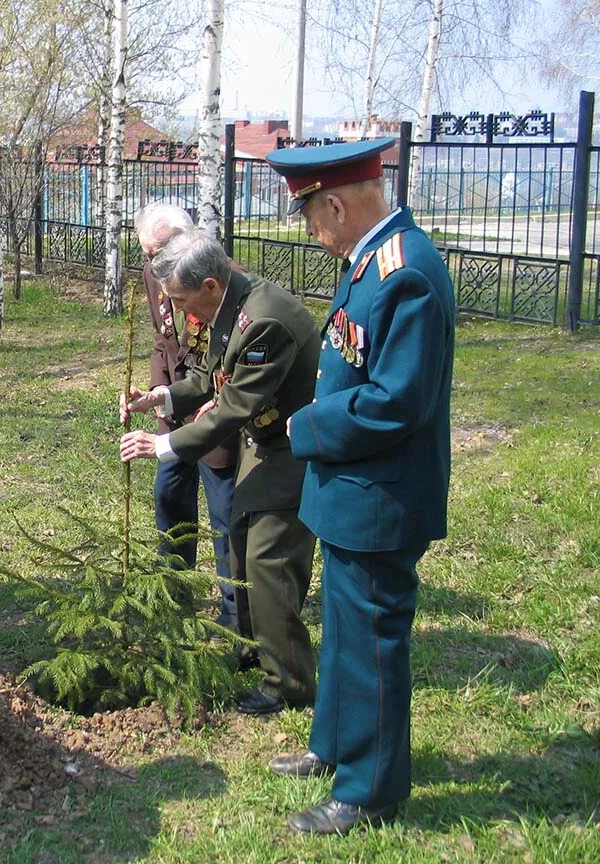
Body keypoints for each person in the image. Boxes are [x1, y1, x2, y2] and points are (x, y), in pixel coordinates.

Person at [263, 138, 456, 835]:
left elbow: (396, 401)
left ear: (337, 205)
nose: (315, 237)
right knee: (343, 631)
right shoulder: (372, 259)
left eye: (313, 220)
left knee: (372, 641)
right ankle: (336, 747)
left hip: (382, 496)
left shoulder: (406, 272)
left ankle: (370, 791)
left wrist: (309, 426)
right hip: (351, 492)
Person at [119, 228, 320, 716]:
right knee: (241, 548)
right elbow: (212, 375)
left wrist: (163, 444)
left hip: (291, 450)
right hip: (263, 445)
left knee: (269, 564)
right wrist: (161, 397)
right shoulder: (231, 306)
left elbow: (231, 408)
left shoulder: (264, 321)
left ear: (210, 285)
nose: (185, 313)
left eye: (185, 300)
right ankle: (254, 650)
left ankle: (289, 683)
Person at [132, 203, 237, 628]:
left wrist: (219, 399)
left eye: (157, 251)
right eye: (146, 253)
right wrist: (158, 393)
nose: (151, 261)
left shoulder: (222, 281)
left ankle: (235, 613)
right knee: (170, 498)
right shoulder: (154, 271)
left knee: (225, 514)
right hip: (174, 406)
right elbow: (164, 340)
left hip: (216, 414)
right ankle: (175, 595)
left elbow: (237, 356)